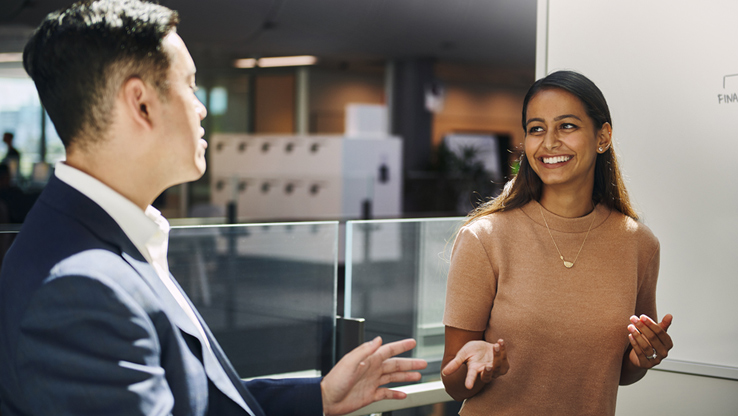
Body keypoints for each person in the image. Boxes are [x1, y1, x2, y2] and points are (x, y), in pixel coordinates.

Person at [0, 1, 426, 415]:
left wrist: (318, 399)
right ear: (141, 103)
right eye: (189, 85)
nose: (201, 107)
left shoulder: (103, 243)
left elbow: (196, 399)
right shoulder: (79, 289)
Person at [439, 70, 674, 415]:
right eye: (536, 129)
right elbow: (453, 381)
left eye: (567, 126)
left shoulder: (638, 244)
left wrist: (642, 358)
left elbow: (618, 372)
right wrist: (481, 369)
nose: (548, 142)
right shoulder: (485, 238)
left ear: (603, 137)